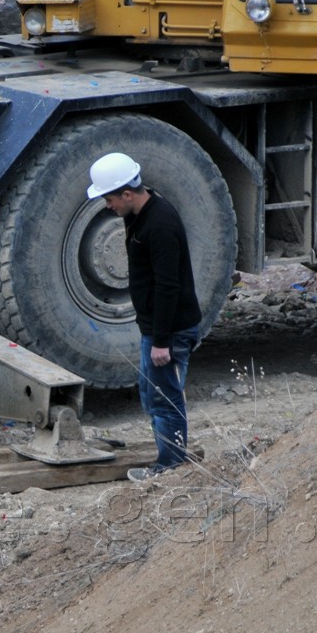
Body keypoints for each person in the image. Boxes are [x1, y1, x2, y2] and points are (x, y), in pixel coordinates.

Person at [86, 152, 202, 483]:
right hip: (156, 328)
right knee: (153, 395)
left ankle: (170, 470)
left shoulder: (160, 224)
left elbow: (168, 286)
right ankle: (169, 460)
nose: (107, 205)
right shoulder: (139, 214)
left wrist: (162, 341)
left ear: (127, 193)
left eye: (109, 198)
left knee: (165, 400)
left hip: (171, 330)